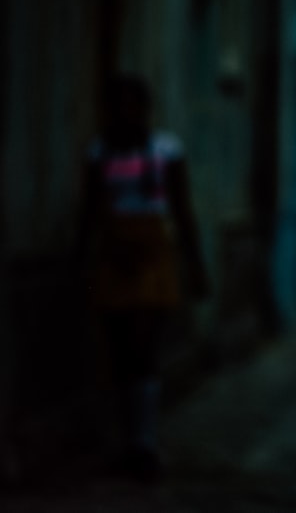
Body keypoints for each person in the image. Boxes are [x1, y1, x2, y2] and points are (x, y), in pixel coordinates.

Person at [78, 74, 208, 481]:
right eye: (116, 106)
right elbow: (88, 212)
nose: (124, 114)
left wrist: (195, 263)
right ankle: (127, 438)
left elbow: (182, 210)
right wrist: (79, 264)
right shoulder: (100, 153)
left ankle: (144, 442)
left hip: (154, 254)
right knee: (119, 350)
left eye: (131, 106)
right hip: (115, 254)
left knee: (142, 344)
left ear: (144, 110)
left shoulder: (165, 151)